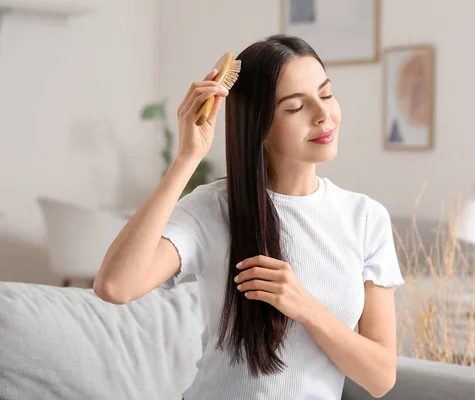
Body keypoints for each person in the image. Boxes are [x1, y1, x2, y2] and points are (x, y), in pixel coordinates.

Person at [94, 34, 404, 400]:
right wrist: (186, 159)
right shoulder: (214, 208)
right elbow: (115, 287)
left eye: (326, 94)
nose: (323, 116)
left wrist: (306, 308)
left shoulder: (365, 218)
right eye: (294, 108)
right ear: (260, 127)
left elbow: (381, 378)